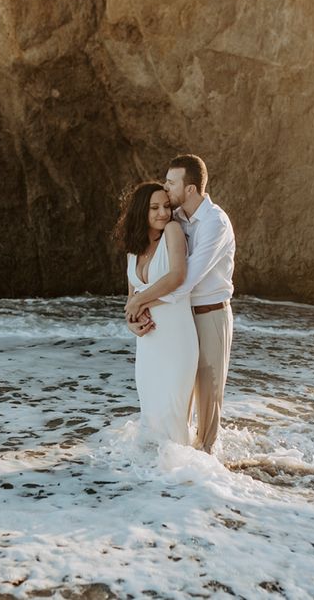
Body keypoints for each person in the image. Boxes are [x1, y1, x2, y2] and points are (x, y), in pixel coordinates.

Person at [125, 155, 235, 454]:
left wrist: (139, 302)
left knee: (208, 397)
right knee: (178, 397)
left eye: (171, 183)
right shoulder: (177, 220)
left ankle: (209, 465)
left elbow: (185, 279)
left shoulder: (215, 222)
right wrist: (134, 310)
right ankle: (180, 463)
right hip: (179, 317)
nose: (166, 187)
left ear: (190, 189)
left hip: (210, 314)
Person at [115, 181, 198, 445]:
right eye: (154, 207)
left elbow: (176, 276)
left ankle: (185, 475)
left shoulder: (173, 231)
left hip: (176, 339)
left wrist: (138, 302)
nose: (163, 212)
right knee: (151, 413)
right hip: (148, 344)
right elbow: (131, 300)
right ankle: (155, 481)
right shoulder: (133, 250)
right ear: (141, 211)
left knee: (173, 414)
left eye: (166, 206)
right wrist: (131, 323)